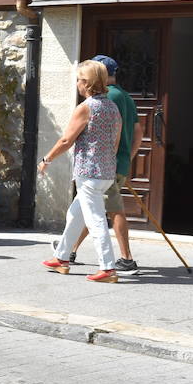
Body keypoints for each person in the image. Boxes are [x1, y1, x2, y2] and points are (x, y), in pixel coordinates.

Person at [40, 59, 123, 283]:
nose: (77, 83)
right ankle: (62, 257)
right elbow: (115, 142)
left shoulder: (86, 107)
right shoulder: (112, 107)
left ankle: (108, 268)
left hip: (89, 173)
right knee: (75, 215)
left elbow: (67, 139)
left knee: (95, 221)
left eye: (79, 79)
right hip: (105, 172)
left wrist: (46, 159)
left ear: (87, 83)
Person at [70, 55, 139, 274]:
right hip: (118, 163)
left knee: (111, 210)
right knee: (90, 208)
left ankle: (126, 259)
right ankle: (69, 250)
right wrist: (127, 158)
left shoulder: (108, 97)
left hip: (102, 165)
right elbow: (138, 132)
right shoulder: (127, 97)